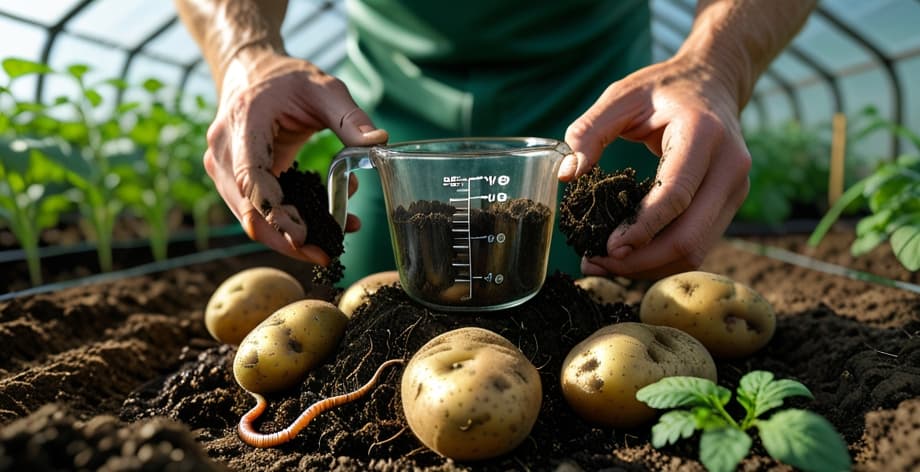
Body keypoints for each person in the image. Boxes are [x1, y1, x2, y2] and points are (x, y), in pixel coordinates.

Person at [175, 0, 816, 285]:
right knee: (372, 303)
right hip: (391, 112)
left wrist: (716, 65)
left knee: (609, 294)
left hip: (593, 106)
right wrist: (246, 53)